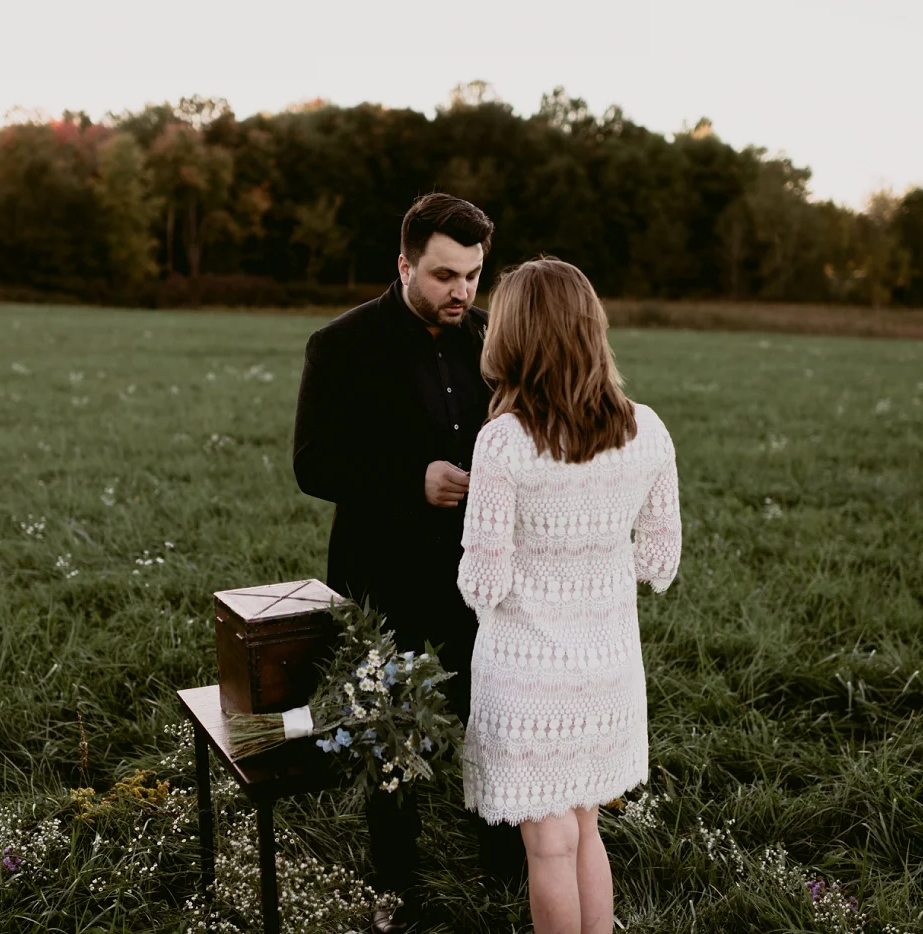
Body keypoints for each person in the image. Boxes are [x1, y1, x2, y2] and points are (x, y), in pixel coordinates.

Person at [292, 192, 526, 932]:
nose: (462, 292)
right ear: (403, 264)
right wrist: (410, 480)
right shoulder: (340, 345)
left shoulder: (493, 338)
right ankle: (397, 874)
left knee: (486, 710)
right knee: (389, 726)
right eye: (444, 275)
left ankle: (501, 847)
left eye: (474, 274)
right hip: (381, 571)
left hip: (475, 573)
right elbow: (314, 464)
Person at [456, 258, 682, 934]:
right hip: (609, 672)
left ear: (513, 338)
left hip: (529, 680)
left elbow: (481, 583)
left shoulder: (503, 443)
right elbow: (659, 556)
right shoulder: (646, 429)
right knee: (585, 826)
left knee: (548, 845)